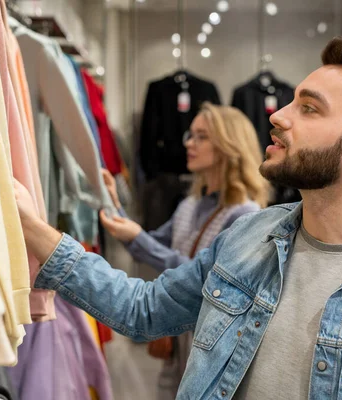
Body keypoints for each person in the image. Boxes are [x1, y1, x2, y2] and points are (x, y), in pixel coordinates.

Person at [14, 37, 342, 399]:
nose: (277, 116)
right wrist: (34, 228)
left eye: (308, 108)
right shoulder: (249, 234)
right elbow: (146, 310)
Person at [98, 102, 269, 398]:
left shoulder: (244, 214)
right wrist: (114, 204)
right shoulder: (190, 204)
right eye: (190, 135)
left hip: (210, 342)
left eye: (201, 136)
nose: (189, 143)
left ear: (228, 145)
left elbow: (203, 276)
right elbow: (151, 243)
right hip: (180, 337)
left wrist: (137, 236)